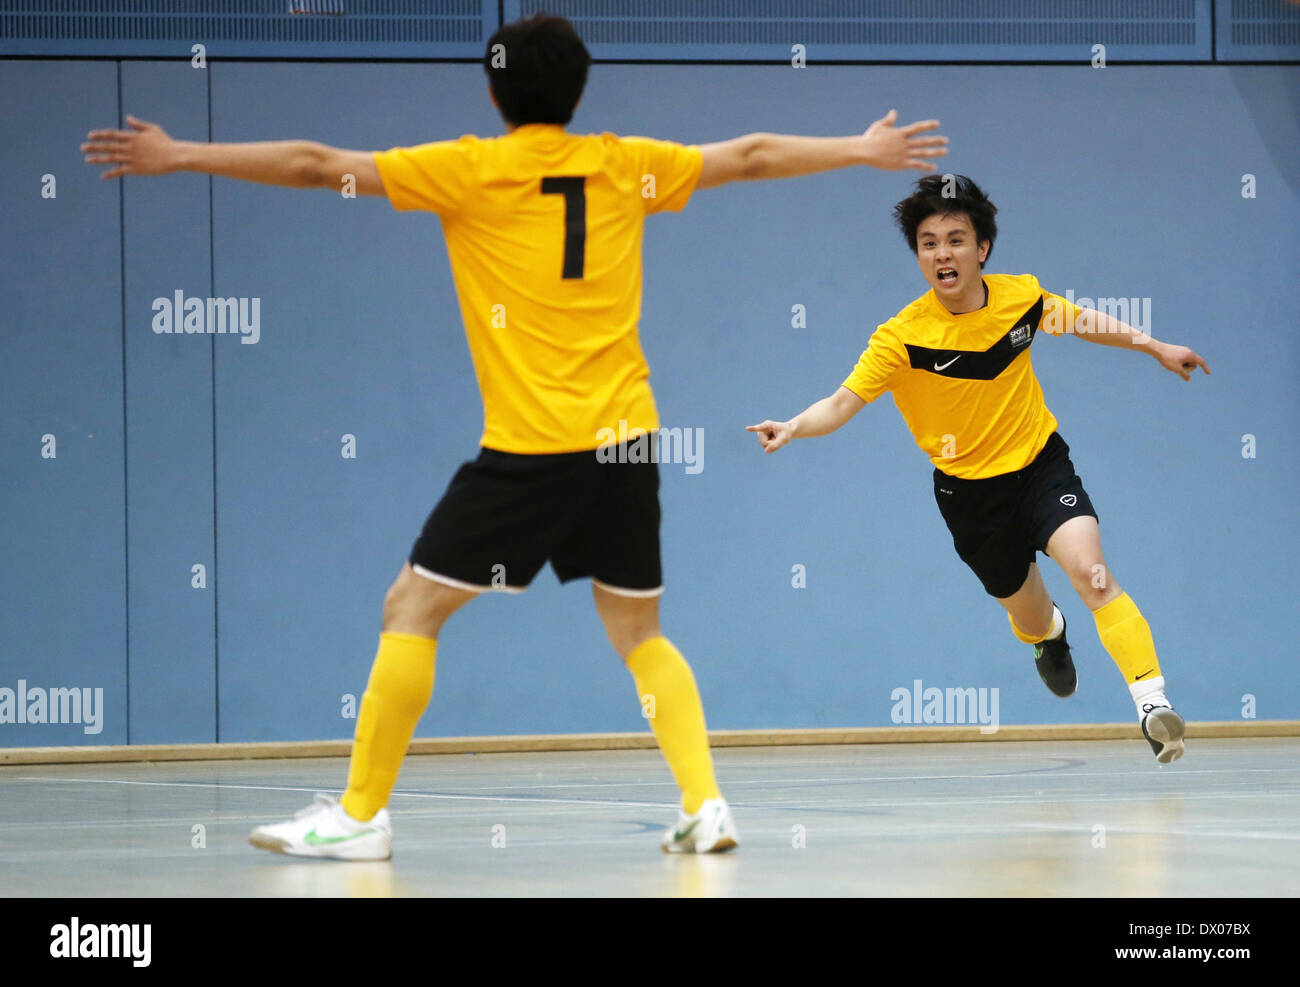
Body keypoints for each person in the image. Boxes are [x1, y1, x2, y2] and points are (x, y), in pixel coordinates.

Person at [82, 14, 947, 859]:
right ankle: (706, 803)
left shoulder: (467, 170)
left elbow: (316, 166)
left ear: (494, 91)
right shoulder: (625, 164)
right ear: (579, 89)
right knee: (641, 632)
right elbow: (752, 154)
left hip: (532, 452)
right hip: (626, 443)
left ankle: (359, 815)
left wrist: (180, 154)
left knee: (410, 608)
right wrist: (860, 148)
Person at [748, 174, 1208, 764]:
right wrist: (792, 424)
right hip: (970, 497)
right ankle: (1049, 638)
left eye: (956, 239)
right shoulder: (902, 338)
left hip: (1041, 467)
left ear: (982, 248)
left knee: (1092, 573)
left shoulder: (1021, 298)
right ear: (918, 255)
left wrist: (1154, 346)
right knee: (1030, 613)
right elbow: (841, 403)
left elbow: (1086, 321)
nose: (943, 253)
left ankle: (1152, 705)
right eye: (929, 242)